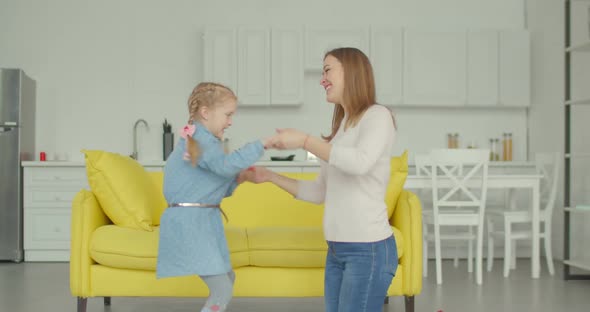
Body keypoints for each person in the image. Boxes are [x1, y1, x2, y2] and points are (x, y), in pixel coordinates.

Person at [258, 47, 398, 312]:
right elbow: (319, 192)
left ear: (351, 72)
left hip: (367, 251)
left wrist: (304, 141)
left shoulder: (378, 116)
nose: (322, 80)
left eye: (327, 70)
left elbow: (360, 163)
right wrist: (269, 176)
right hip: (336, 250)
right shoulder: (340, 129)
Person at [156, 82, 269, 312]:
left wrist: (242, 178)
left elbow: (217, 184)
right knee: (222, 289)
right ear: (206, 113)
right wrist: (264, 144)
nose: (230, 121)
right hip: (190, 223)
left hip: (202, 221)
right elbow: (225, 166)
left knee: (227, 279)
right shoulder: (200, 140)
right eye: (227, 115)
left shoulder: (202, 142)